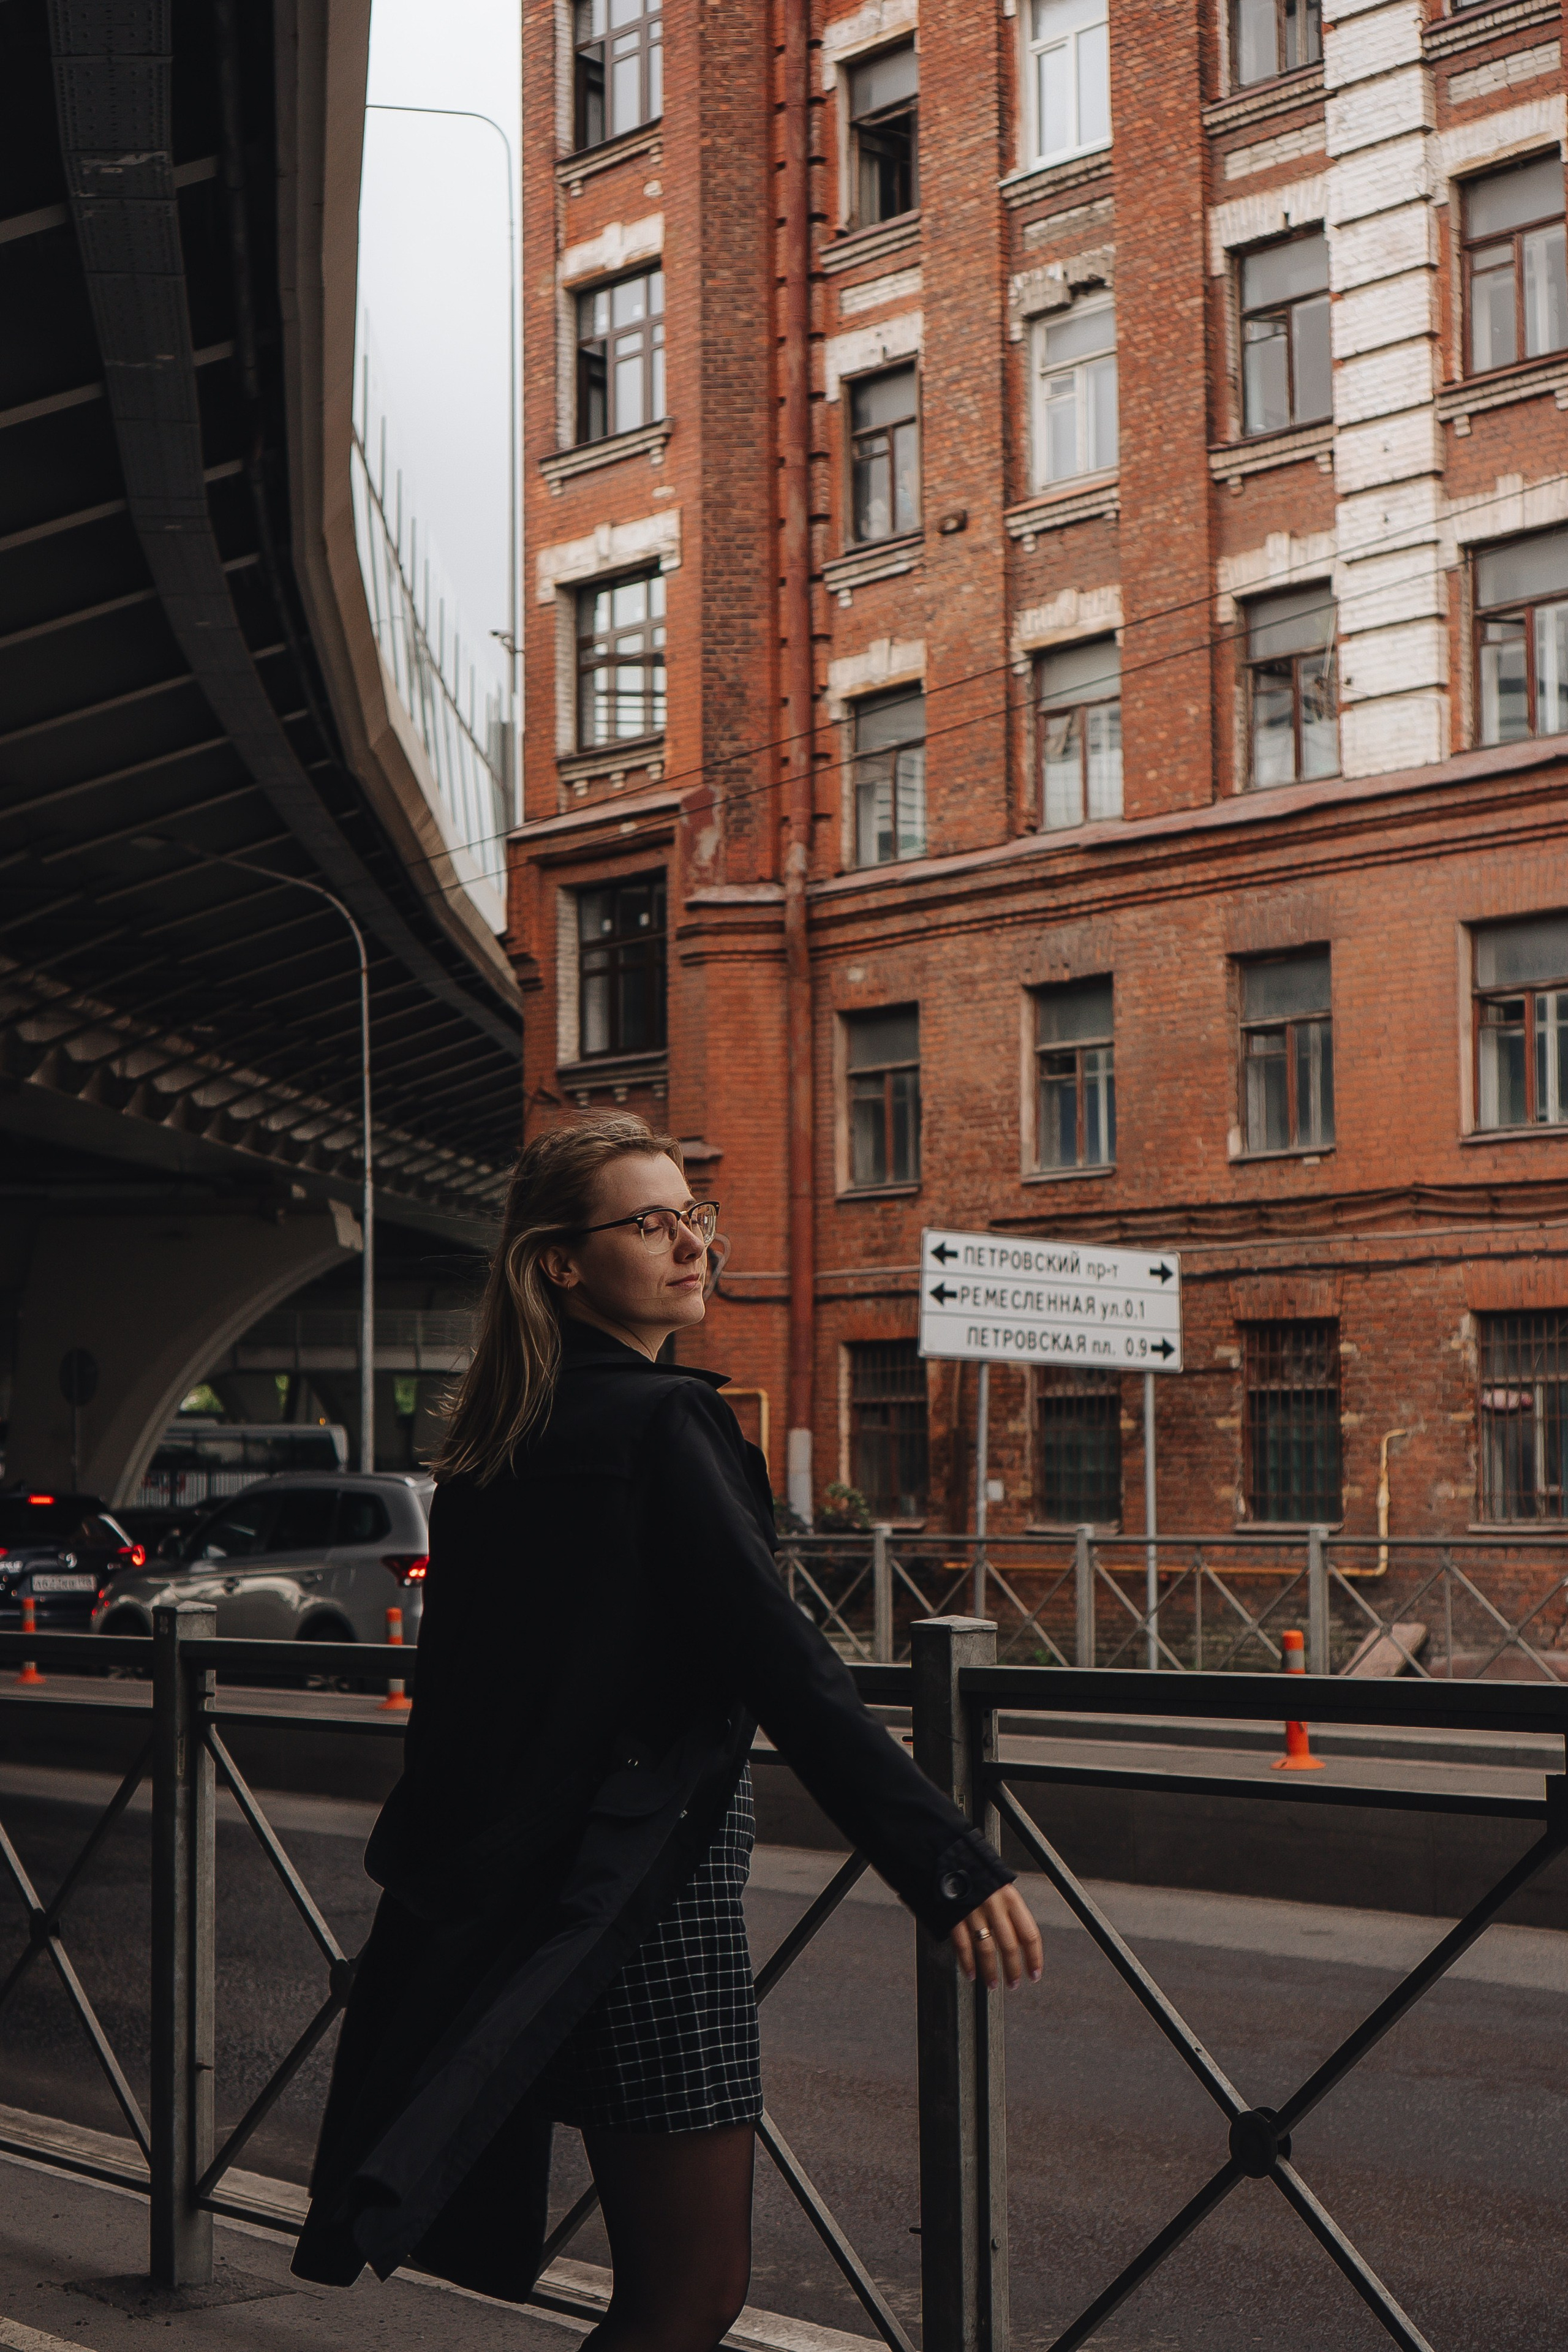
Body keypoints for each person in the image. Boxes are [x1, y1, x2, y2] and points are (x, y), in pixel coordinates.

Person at [293, 1114, 1041, 2348]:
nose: (691, 1243)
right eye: (649, 1222)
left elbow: (491, 1692)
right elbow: (783, 1662)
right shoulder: (663, 1421)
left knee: (665, 2284)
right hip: (647, 1896)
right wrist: (944, 1859)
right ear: (560, 1264)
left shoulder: (491, 1446)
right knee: (689, 2288)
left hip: (519, 1895)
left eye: (694, 1217)